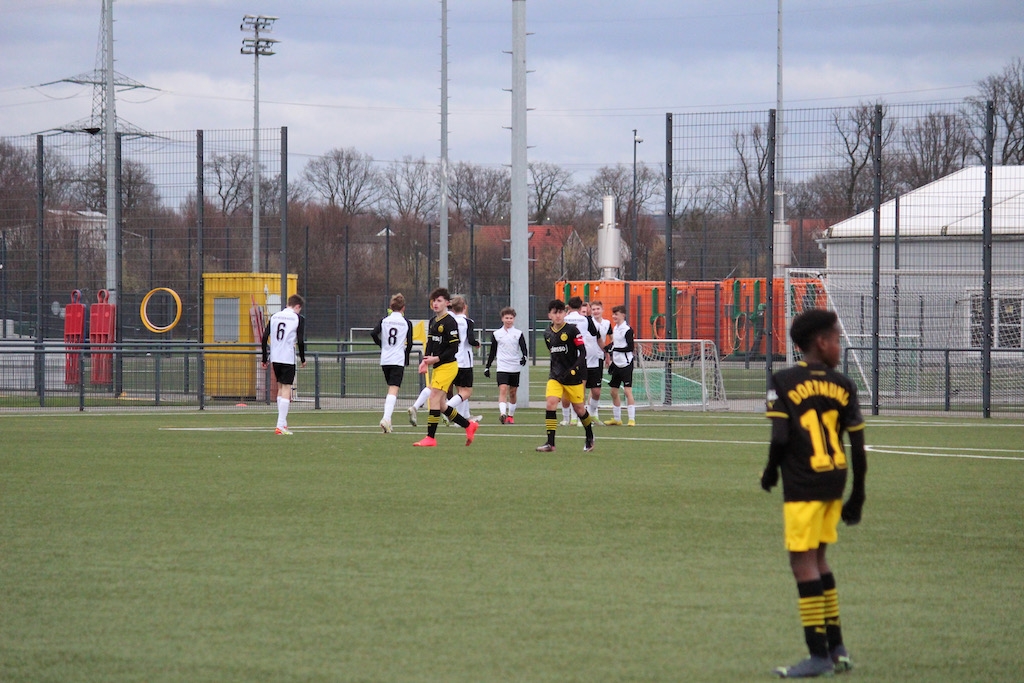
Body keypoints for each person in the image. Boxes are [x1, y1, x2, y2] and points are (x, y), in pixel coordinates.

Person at [760, 308, 867, 678]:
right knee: (819, 559)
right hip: (834, 480)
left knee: (801, 563)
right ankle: (837, 649)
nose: (839, 345)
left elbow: (780, 438)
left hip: (803, 483)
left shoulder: (784, 380)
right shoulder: (844, 384)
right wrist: (858, 495)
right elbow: (858, 447)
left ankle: (817, 654)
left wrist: (770, 472)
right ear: (821, 343)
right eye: (837, 339)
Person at [413, 288, 479, 448]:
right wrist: (425, 361)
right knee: (442, 405)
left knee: (434, 398)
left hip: (448, 366)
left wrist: (436, 358)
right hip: (438, 367)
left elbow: (453, 348)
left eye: (439, 301)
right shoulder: (433, 321)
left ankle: (430, 438)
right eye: (434, 301)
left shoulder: (450, 322)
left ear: (447, 303)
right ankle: (468, 425)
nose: (435, 304)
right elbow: (430, 342)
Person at [536, 299, 595, 453]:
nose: (558, 315)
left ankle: (589, 436)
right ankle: (550, 443)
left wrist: (573, 369)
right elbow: (552, 353)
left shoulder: (572, 330)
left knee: (579, 409)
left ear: (565, 313)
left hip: (573, 377)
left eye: (561, 312)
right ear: (549, 315)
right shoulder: (547, 333)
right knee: (551, 404)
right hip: (555, 376)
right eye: (555, 313)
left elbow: (582, 352)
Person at [260, 294, 306, 435]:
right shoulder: (298, 318)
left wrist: (264, 358)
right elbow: (300, 340)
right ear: (297, 306)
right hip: (287, 357)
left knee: (280, 387)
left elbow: (264, 337)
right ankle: (280, 425)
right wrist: (303, 358)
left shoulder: (275, 316)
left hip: (275, 357)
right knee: (287, 388)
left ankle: (283, 423)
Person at [372, 293, 413, 434]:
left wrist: (382, 345)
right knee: (393, 389)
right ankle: (386, 418)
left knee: (391, 388)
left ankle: (388, 421)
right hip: (397, 359)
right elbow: (410, 343)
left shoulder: (384, 320)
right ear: (403, 308)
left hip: (385, 360)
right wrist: (406, 357)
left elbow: (373, 333)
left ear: (391, 306)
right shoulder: (406, 323)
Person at [483, 307, 528, 424]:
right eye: (506, 318)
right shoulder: (497, 334)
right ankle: (502, 414)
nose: (509, 320)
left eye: (511, 318)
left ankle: (510, 415)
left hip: (514, 366)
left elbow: (524, 348)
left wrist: (524, 357)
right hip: (502, 366)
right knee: (503, 389)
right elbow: (492, 351)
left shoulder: (518, 333)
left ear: (514, 319)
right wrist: (487, 366)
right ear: (502, 319)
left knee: (512, 392)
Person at [446, 295, 482, 423]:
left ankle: (464, 417)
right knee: (466, 391)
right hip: (465, 361)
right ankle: (447, 408)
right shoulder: (468, 322)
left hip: (452, 359)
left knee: (460, 391)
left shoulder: (450, 322)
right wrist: (477, 343)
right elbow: (470, 340)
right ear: (465, 307)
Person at [603, 304, 636, 426]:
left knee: (627, 391)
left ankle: (631, 419)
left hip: (626, 364)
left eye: (616, 314)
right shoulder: (615, 328)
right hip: (616, 364)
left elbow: (630, 347)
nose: (614, 316)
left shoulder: (627, 330)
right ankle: (617, 419)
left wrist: (615, 349)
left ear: (623, 315)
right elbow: (615, 343)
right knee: (613, 392)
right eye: (613, 314)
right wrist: (607, 348)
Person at [561, 297, 591, 426]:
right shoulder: (584, 319)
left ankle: (566, 418)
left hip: (566, 358)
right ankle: (579, 419)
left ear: (568, 306)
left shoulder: (564, 319)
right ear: (580, 307)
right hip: (580, 357)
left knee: (565, 389)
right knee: (580, 389)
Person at [584, 299, 611, 423]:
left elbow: (610, 338)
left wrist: (608, 353)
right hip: (585, 358)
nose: (595, 311)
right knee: (583, 388)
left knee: (595, 389)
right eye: (593, 309)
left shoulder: (606, 323)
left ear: (602, 309)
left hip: (599, 357)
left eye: (597, 309)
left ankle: (593, 413)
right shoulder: (587, 323)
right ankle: (581, 416)